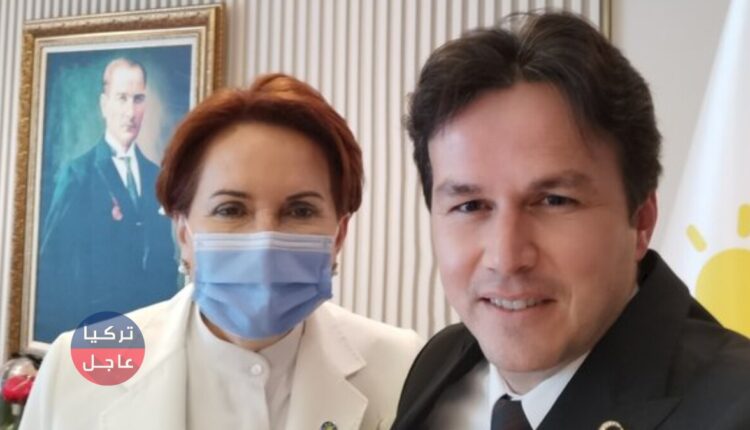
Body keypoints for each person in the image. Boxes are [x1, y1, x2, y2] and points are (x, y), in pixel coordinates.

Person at [392, 12, 750, 430]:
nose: (506, 258)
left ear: (641, 220)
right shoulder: (438, 365)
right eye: (471, 206)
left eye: (554, 201)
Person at [21, 73, 423, 430]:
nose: (264, 243)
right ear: (183, 232)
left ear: (338, 235)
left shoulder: (403, 367)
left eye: (300, 210)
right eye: (231, 210)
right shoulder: (77, 366)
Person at [36, 58, 177, 342]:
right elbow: (52, 268)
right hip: (94, 334)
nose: (130, 112)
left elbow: (163, 260)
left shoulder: (157, 176)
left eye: (138, 99)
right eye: (122, 98)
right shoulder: (78, 174)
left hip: (150, 335)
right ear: (104, 104)